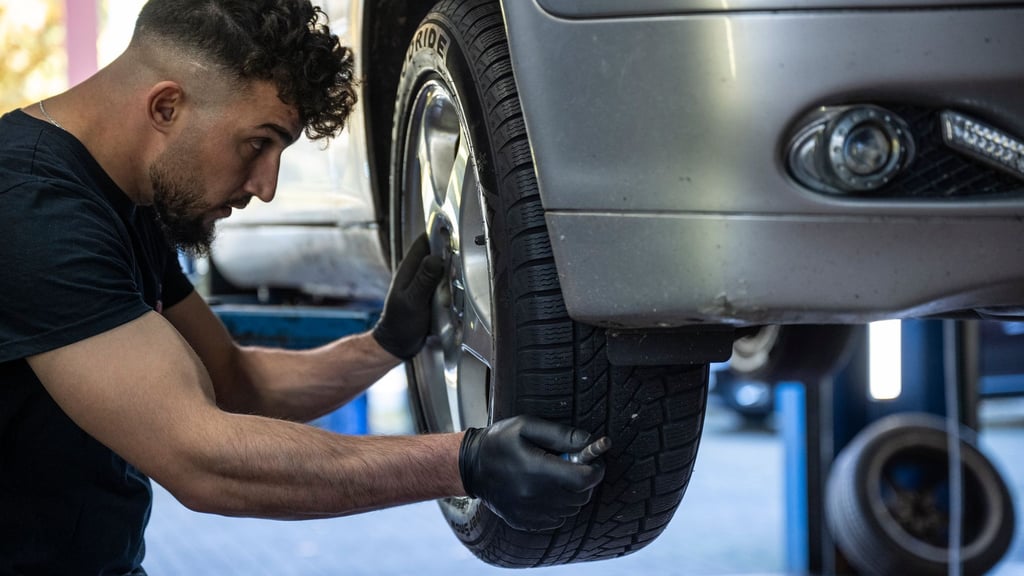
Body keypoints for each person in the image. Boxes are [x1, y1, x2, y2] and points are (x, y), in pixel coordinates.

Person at [0, 1, 604, 573]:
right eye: (257, 143)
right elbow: (201, 459)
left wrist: (385, 344)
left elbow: (236, 384)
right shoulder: (29, 208)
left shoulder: (123, 199)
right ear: (166, 108)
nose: (265, 186)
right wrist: (464, 462)